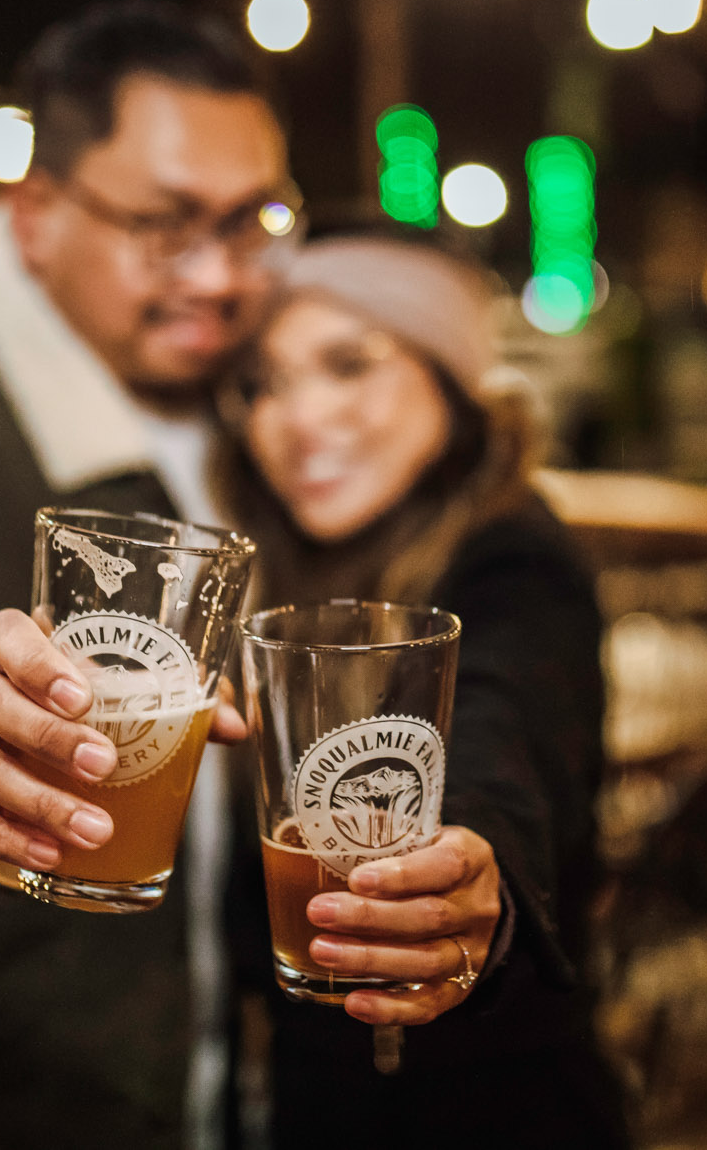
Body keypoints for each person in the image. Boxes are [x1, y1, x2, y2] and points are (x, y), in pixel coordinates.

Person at [0, 1, 512, 1149]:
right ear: (34, 216)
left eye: (252, 219)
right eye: (163, 225)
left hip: (197, 1085)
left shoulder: (251, 391)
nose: (219, 276)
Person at [213, 234, 629, 1148]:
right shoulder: (284, 577)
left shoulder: (515, 561)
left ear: (449, 378)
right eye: (262, 383)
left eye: (348, 363)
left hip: (490, 1113)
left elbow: (504, 730)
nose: (297, 416)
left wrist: (478, 861)